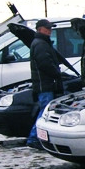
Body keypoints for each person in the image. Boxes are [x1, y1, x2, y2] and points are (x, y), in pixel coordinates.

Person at [27, 19, 64, 149]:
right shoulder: (41, 44)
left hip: (44, 84)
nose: (50, 30)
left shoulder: (41, 43)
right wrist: (57, 73)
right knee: (44, 112)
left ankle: (36, 137)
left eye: (50, 28)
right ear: (39, 29)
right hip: (45, 85)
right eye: (47, 28)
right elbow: (45, 64)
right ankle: (33, 137)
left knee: (44, 111)